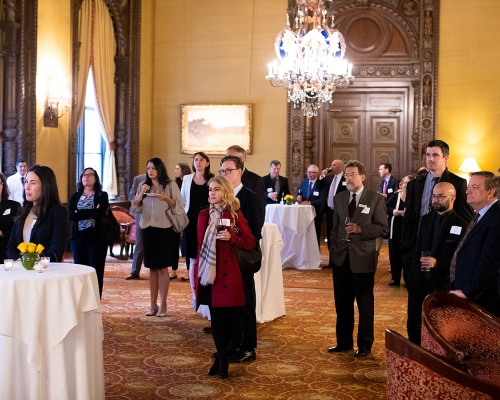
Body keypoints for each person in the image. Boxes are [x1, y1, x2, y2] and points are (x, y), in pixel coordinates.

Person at [194, 175, 256, 380]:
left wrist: (233, 238)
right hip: (209, 274)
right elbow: (198, 246)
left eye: (216, 189)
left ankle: (221, 360)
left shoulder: (235, 215)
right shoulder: (203, 214)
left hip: (228, 276)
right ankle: (222, 358)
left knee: (226, 321)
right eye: (210, 189)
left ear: (225, 192)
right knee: (216, 320)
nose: (212, 193)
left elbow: (250, 242)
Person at [327, 160, 388, 358]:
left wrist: (362, 229)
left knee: (364, 303)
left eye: (353, 174)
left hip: (363, 257)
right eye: (347, 175)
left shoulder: (375, 199)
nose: (349, 178)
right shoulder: (340, 198)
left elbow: (383, 228)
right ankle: (343, 342)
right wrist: (335, 248)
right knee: (342, 303)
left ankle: (364, 345)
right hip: (341, 257)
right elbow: (334, 227)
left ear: (362, 177)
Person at [400, 140, 474, 279]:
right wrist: (405, 244)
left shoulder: (458, 183)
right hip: (416, 247)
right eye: (428, 155)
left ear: (445, 158)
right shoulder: (414, 184)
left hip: (443, 250)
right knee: (415, 293)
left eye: (435, 155)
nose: (430, 159)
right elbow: (409, 216)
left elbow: (465, 218)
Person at [406, 182, 468, 344]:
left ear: (453, 198)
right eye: (434, 196)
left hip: (442, 283)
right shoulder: (425, 220)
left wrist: (438, 263)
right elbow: (417, 249)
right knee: (413, 322)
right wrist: (412, 275)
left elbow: (461, 259)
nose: (436, 200)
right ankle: (415, 355)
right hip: (419, 281)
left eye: (441, 196)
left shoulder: (461, 224)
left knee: (438, 325)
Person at [220, 155, 263, 363]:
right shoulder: (222, 197)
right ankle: (233, 345)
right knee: (231, 304)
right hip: (226, 258)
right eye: (222, 171)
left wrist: (235, 238)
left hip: (243, 256)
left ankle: (248, 348)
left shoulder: (249, 196)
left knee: (245, 303)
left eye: (229, 170)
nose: (225, 174)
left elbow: (255, 233)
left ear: (239, 172)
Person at [131, 157, 184, 317]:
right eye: (148, 168)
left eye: (153, 168)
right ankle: (152, 304)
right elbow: (135, 209)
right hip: (148, 230)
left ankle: (163, 304)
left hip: (165, 230)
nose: (150, 171)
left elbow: (179, 207)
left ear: (160, 169)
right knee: (152, 268)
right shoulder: (143, 185)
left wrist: (166, 198)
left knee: (162, 268)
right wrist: (141, 194)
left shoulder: (170, 185)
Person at [449, 171, 500, 317]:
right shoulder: (480, 214)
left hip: (483, 298)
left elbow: (489, 261)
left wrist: (468, 291)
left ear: (490, 192)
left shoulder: (496, 217)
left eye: (475, 187)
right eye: (469, 186)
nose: (467, 190)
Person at [7, 165, 68, 262]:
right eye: (26, 182)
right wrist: (22, 261)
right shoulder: (23, 211)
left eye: (33, 183)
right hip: (21, 270)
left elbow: (56, 252)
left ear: (45, 186)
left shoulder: (58, 212)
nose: (26, 187)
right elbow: (10, 248)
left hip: (45, 271)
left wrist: (29, 260)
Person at [68, 168, 110, 298]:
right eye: (84, 175)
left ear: (96, 178)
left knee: (95, 272)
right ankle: (81, 300)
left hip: (97, 239)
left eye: (90, 175)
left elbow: (99, 214)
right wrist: (90, 213)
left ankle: (95, 300)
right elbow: (71, 215)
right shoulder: (74, 196)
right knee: (80, 271)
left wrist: (79, 212)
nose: (86, 177)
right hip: (78, 238)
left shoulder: (102, 195)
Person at [181, 152, 214, 307]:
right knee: (192, 258)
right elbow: (182, 200)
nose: (198, 162)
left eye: (202, 160)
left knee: (206, 256)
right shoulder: (187, 179)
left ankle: (208, 293)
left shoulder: (212, 179)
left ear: (207, 163)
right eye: (196, 160)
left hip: (207, 220)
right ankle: (195, 295)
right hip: (191, 221)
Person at [386, 175, 415, 287]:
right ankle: (395, 278)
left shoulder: (414, 197)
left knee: (407, 255)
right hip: (395, 229)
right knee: (394, 255)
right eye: (404, 183)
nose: (405, 185)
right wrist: (394, 212)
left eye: (408, 183)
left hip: (408, 231)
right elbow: (386, 207)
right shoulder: (396, 195)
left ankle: (408, 279)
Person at [317, 159, 347, 267]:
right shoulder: (329, 178)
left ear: (340, 167)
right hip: (330, 211)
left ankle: (340, 260)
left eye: (333, 165)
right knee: (331, 236)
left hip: (341, 212)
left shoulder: (346, 178)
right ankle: (331, 261)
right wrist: (321, 176)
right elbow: (318, 187)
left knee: (340, 236)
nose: (330, 167)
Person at [125, 173, 147, 280]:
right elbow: (131, 196)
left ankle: (157, 271)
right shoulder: (139, 179)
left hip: (158, 216)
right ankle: (135, 271)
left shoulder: (164, 181)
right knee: (140, 243)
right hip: (141, 214)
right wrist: (140, 197)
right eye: (149, 167)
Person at [296, 164, 322, 245]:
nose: (309, 174)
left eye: (312, 172)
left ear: (317, 173)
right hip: (303, 214)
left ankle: (315, 254)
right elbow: (299, 192)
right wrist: (298, 197)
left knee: (315, 235)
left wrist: (309, 203)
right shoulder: (304, 182)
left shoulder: (321, 184)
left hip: (316, 214)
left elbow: (322, 200)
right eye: (308, 172)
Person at [0, 173, 21, 261]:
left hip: (6, 252)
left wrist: (1, 233)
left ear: (3, 185)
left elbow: (18, 233)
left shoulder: (14, 206)